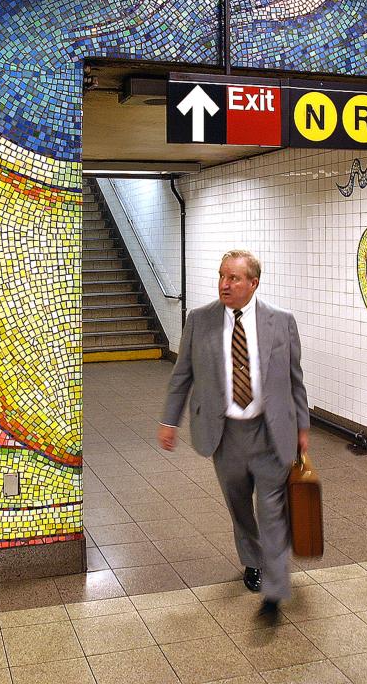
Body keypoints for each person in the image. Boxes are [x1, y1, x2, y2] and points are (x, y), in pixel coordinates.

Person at [158, 249, 309, 621]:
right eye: (222, 276)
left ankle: (275, 587)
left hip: (270, 431)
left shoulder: (281, 321)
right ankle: (252, 560)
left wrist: (303, 427)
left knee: (272, 508)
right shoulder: (200, 320)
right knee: (239, 504)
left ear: (253, 283)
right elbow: (182, 375)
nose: (224, 284)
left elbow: (295, 380)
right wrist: (169, 420)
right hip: (225, 434)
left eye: (234, 278)